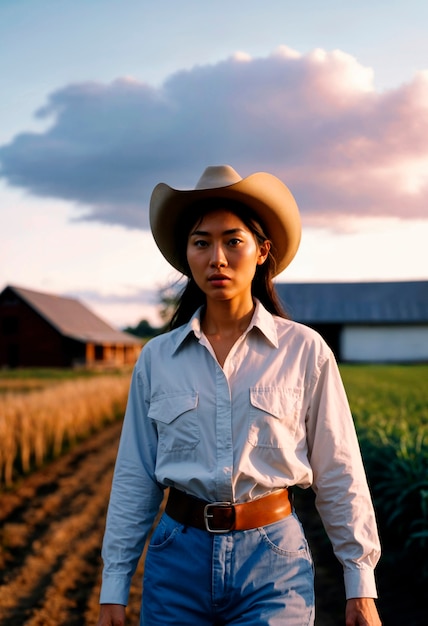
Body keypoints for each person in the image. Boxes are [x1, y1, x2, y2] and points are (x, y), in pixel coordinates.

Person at [96, 165, 382, 626]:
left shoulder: (304, 351)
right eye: (201, 242)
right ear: (186, 256)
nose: (217, 259)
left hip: (273, 561)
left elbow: (339, 469)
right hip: (176, 561)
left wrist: (360, 583)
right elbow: (135, 477)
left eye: (233, 241)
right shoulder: (156, 359)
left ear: (261, 251)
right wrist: (114, 585)